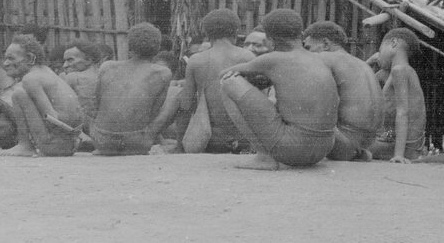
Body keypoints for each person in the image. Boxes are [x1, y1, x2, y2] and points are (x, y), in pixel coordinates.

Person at [220, 9, 339, 169]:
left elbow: (224, 73)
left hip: (293, 149)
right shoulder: (319, 59)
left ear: (269, 39)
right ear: (302, 34)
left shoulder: (273, 59)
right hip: (324, 148)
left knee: (228, 82)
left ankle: (263, 156)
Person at [157, 9, 254, 153]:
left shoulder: (197, 60)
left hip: (211, 140)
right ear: (235, 31)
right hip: (245, 139)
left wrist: (180, 144)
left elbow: (185, 104)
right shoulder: (248, 57)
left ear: (207, 34)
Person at [302, 21, 384, 161]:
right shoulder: (362, 64)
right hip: (368, 144)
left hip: (344, 144)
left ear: (326, 44)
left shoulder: (323, 57)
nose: (307, 52)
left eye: (309, 47)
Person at [91, 23, 172, 156]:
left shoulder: (107, 66)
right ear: (158, 48)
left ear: (130, 46)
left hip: (102, 141)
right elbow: (153, 112)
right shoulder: (162, 73)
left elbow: (98, 103)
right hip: (136, 144)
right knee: (175, 96)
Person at [3, 34, 84, 156]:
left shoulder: (30, 79)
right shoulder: (47, 72)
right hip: (71, 145)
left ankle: (24, 146)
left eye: (11, 58)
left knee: (18, 94)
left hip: (53, 146)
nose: (5, 63)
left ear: (30, 58)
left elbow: (52, 118)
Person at [367, 28, 427, 163]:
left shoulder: (400, 71)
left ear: (393, 43)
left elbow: (402, 112)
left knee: (353, 145)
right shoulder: (390, 73)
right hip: (395, 141)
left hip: (406, 148)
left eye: (380, 49)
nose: (378, 54)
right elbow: (363, 84)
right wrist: (369, 63)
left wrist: (399, 155)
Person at [62, 40, 100, 128]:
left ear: (88, 60)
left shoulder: (73, 78)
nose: (65, 65)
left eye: (70, 60)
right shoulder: (104, 75)